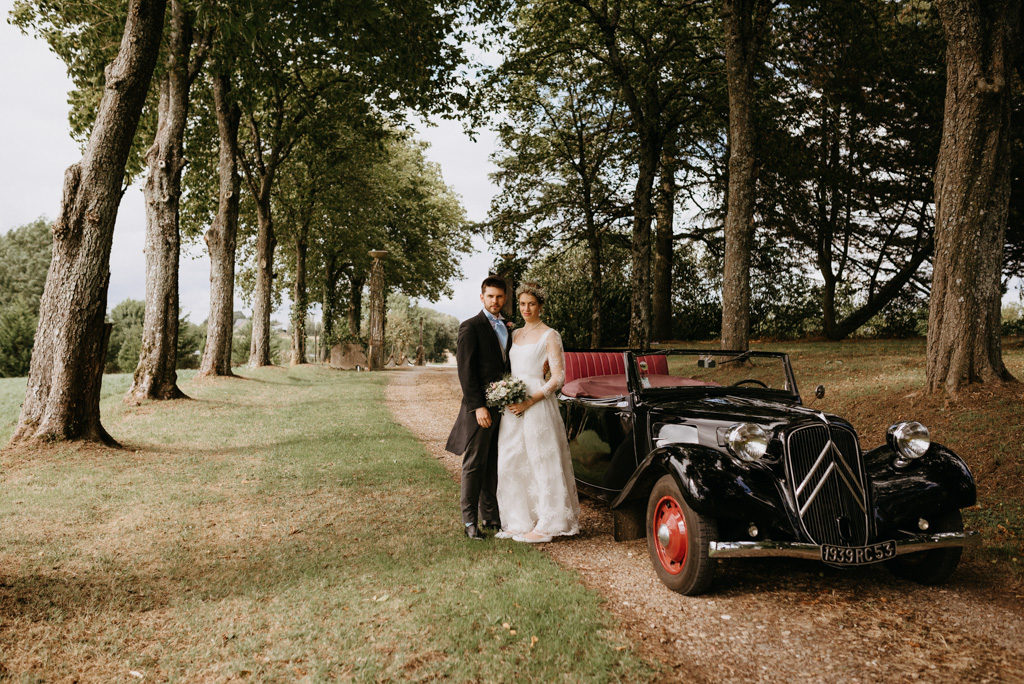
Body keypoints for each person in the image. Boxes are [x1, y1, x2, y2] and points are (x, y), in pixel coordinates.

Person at [495, 282, 581, 543]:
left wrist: (529, 401)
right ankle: (519, 520)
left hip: (537, 403)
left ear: (540, 305)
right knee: (511, 461)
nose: (526, 309)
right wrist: (506, 392)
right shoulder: (516, 334)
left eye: (531, 303)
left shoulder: (550, 335)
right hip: (512, 404)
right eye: (522, 304)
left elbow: (558, 378)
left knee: (541, 462)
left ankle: (548, 523)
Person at [445, 276, 512, 540]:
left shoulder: (508, 327)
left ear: (504, 298)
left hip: (504, 408)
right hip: (482, 409)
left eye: (499, 297)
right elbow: (466, 372)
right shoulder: (470, 327)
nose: (495, 301)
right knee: (474, 464)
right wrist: (478, 407)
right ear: (482, 297)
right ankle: (470, 522)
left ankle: (492, 517)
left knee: (493, 463)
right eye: (490, 296)